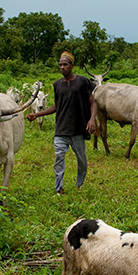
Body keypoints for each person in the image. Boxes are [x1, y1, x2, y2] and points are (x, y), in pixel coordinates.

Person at [26, 51, 97, 195]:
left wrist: (92, 119)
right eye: (60, 65)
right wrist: (37, 114)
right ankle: (59, 188)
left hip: (78, 129)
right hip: (61, 130)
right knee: (59, 158)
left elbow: (93, 102)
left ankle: (79, 185)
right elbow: (56, 106)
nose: (62, 67)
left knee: (82, 161)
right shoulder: (57, 84)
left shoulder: (82, 82)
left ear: (72, 65)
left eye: (65, 64)